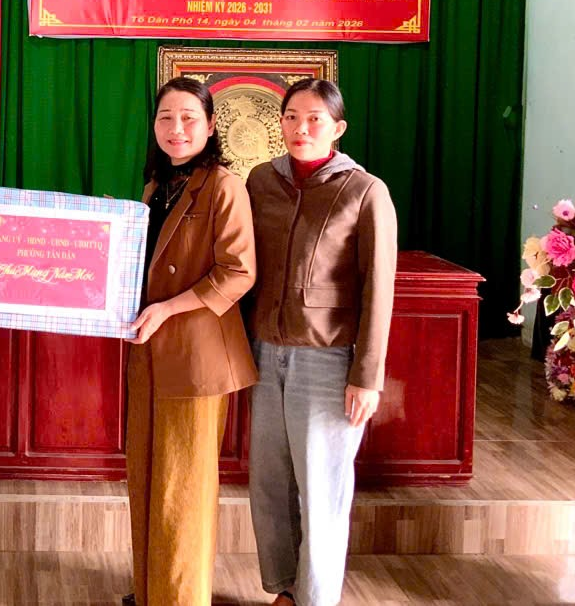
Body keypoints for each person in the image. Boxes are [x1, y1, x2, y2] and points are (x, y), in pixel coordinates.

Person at [243, 79, 397, 606]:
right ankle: (284, 589)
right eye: (291, 117)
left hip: (327, 360)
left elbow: (379, 287)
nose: (301, 128)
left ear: (338, 128)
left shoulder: (364, 190)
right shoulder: (261, 181)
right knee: (269, 484)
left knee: (322, 491)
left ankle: (316, 598)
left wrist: (367, 376)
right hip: (265, 352)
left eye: (314, 119)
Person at [125, 76, 257, 606]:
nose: (175, 128)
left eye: (188, 118)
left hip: (196, 356)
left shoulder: (224, 185)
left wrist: (167, 309)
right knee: (146, 479)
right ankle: (149, 591)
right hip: (149, 352)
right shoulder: (156, 187)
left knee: (183, 492)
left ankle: (180, 599)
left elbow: (238, 272)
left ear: (210, 125)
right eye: (166, 117)